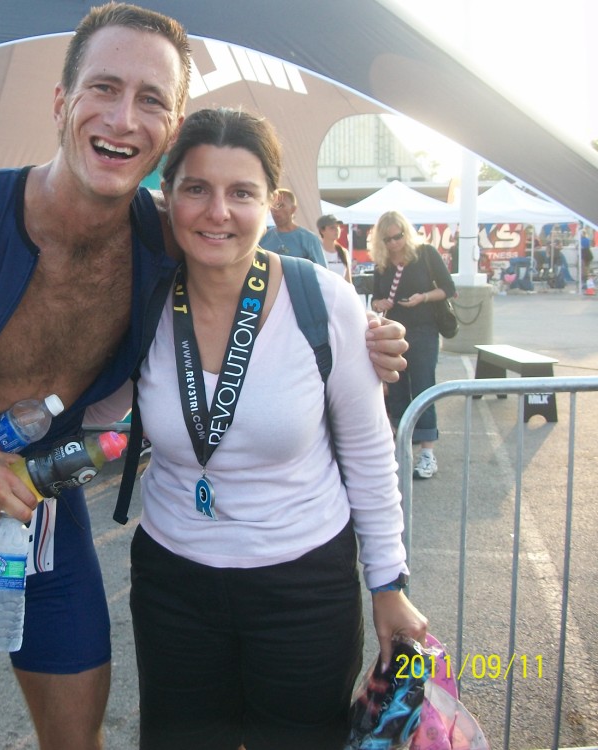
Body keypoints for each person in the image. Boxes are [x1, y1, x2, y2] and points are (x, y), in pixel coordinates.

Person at [0, 5, 409, 748]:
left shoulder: (167, 233)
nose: (124, 118)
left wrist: (363, 331)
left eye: (151, 99)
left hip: (48, 514)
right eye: (104, 88)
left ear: (173, 126)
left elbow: (250, 265)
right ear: (62, 101)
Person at [85, 107, 427, 749]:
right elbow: (96, 411)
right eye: (196, 188)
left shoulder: (323, 301)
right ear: (168, 197)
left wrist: (388, 584)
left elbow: (368, 453)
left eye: (241, 192)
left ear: (271, 202)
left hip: (303, 585)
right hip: (174, 582)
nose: (218, 211)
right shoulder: (145, 300)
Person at [371, 211, 457, 479]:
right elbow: (375, 298)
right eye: (387, 239)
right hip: (393, 332)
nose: (394, 243)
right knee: (395, 387)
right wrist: (379, 303)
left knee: (423, 386)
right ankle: (401, 447)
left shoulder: (425, 254)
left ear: (406, 232)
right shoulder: (382, 263)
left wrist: (424, 297)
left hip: (423, 329)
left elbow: (448, 288)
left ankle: (428, 453)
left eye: (398, 236)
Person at [259, 187, 326, 266]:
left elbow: (320, 270)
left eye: (280, 206)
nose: (275, 210)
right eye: (272, 206)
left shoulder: (309, 239)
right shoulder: (264, 237)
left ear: (293, 209)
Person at [317, 213, 352, 282]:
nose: (336, 230)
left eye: (338, 227)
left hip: (341, 289)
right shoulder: (317, 251)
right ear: (322, 230)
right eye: (332, 228)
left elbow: (348, 280)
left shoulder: (343, 252)